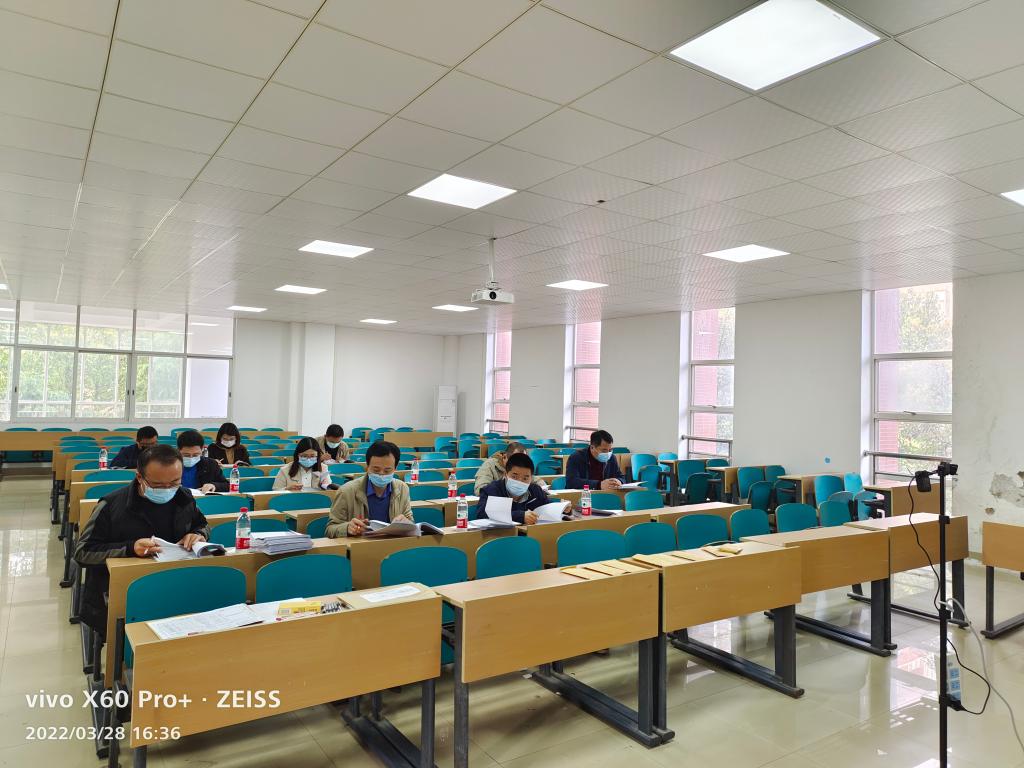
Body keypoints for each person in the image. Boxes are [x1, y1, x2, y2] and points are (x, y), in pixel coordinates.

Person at [73, 444, 210, 635]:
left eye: (174, 482)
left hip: (174, 583)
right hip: (126, 591)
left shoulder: (184, 497)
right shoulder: (111, 505)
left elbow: (202, 524)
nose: (167, 489)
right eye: (158, 485)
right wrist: (130, 548)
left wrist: (199, 534)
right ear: (139, 477)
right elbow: (83, 553)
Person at [326, 440, 412, 537]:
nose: (381, 474)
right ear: (367, 467)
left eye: (387, 470)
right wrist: (347, 528)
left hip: (392, 543)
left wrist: (407, 523)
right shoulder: (346, 491)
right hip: (360, 544)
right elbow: (330, 529)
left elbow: (410, 521)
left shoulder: (402, 489)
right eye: (376, 470)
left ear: (395, 468)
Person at [477, 453, 552, 525]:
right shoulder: (492, 490)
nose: (520, 481)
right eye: (514, 477)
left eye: (525, 478)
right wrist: (520, 516)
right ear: (505, 474)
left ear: (531, 478)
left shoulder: (536, 490)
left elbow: (549, 509)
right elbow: (482, 515)